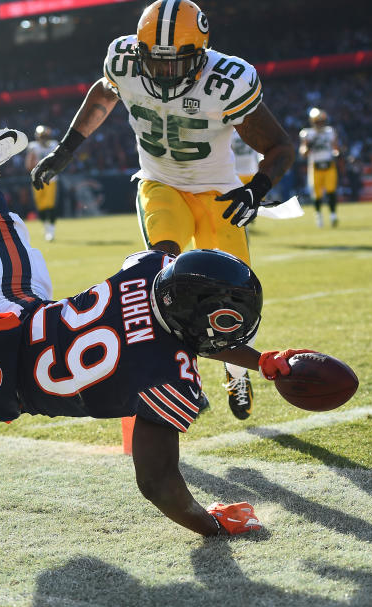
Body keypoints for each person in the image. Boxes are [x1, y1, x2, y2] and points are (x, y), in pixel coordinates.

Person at [0, 128, 313, 537]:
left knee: (7, 232)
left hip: (4, 324)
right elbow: (157, 483)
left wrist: (258, 360)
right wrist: (212, 524)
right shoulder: (171, 380)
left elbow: (172, 326)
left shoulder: (148, 270)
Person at [30, 0, 296, 422]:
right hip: (160, 184)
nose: (164, 71)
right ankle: (176, 376)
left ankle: (235, 371)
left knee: (233, 295)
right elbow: (105, 90)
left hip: (219, 194)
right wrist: (66, 149)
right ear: (139, 52)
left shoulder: (226, 80)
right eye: (154, 60)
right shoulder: (123, 60)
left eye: (176, 62)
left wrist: (256, 190)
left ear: (201, 55)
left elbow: (280, 146)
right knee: (162, 281)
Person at [299, 108, 341, 227]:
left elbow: (336, 148)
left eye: (321, 121)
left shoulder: (330, 131)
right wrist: (308, 147)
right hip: (315, 166)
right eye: (317, 121)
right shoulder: (308, 133)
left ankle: (333, 215)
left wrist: (337, 153)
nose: (320, 123)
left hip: (329, 165)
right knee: (316, 193)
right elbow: (303, 151)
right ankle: (318, 216)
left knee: (331, 191)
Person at [24, 125, 62, 241]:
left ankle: (51, 230)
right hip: (37, 178)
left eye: (45, 136)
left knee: (49, 204)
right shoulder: (33, 147)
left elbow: (59, 162)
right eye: (42, 136)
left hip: (51, 179)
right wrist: (33, 161)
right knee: (41, 206)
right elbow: (28, 166)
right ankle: (46, 228)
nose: (44, 139)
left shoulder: (53, 145)